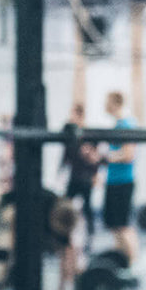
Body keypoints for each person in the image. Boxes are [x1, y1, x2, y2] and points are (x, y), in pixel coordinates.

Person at [101, 90, 139, 266]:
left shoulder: (126, 124)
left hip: (123, 181)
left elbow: (129, 154)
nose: (105, 105)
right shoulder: (118, 124)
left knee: (123, 226)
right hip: (114, 180)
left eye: (107, 101)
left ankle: (131, 265)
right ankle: (120, 264)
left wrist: (105, 157)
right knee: (115, 226)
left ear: (115, 102)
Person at [61, 102, 100, 247]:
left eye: (73, 114)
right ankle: (64, 233)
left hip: (86, 177)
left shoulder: (89, 135)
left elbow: (95, 159)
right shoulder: (69, 133)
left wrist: (96, 175)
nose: (70, 117)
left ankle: (90, 235)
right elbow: (66, 155)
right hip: (74, 176)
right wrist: (60, 173)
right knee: (65, 205)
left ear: (80, 115)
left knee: (87, 208)